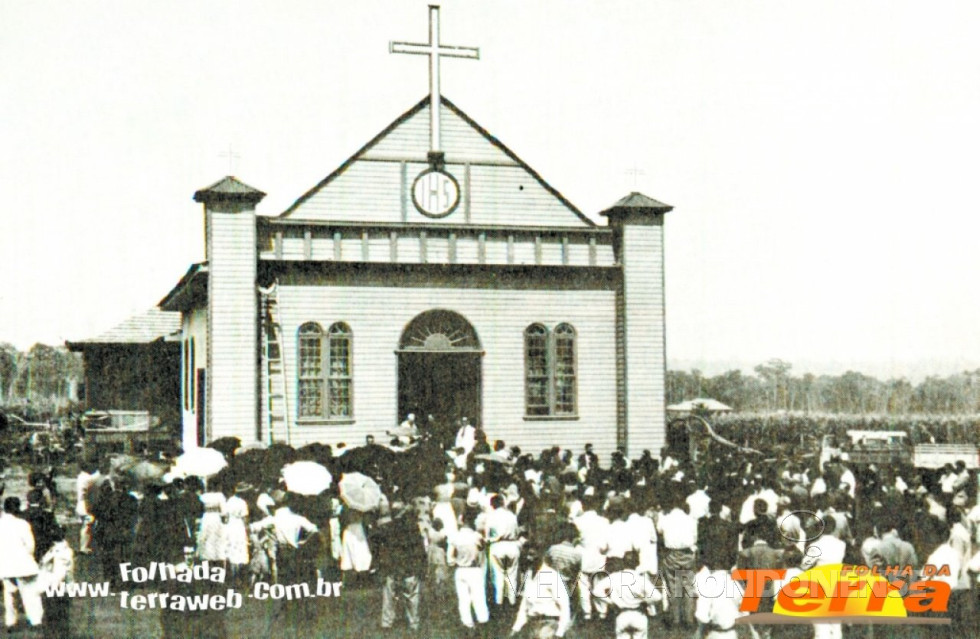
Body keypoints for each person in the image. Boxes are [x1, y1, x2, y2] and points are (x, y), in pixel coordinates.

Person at [374, 499, 426, 634]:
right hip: (409, 568)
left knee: (389, 597)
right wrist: (422, 567)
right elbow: (420, 550)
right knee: (412, 597)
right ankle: (414, 623)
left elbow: (380, 549)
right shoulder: (413, 528)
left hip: (392, 567)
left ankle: (387, 622)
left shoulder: (386, 528)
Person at [0, 497, 42, 630]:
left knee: (10, 595)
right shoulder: (22, 524)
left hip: (5, 565)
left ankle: (10, 622)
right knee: (30, 594)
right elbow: (30, 546)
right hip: (23, 564)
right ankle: (35, 621)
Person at [510, 553, 572, 638]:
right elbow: (524, 605)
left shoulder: (551, 575)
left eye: (532, 554)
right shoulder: (528, 575)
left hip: (550, 623)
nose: (529, 558)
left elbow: (564, 605)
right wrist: (516, 628)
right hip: (532, 623)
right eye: (527, 554)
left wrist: (560, 633)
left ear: (542, 555)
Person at [448, 517, 489, 634]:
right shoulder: (477, 536)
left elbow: (449, 558)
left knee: (463, 599)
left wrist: (456, 561)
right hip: (474, 569)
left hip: (460, 570)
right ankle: (482, 621)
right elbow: (482, 551)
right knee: (479, 597)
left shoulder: (454, 536)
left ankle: (467, 624)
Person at [484, 493, 521, 607]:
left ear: (492, 505)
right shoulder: (511, 515)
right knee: (512, 575)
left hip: (497, 545)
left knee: (498, 575)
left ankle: (498, 602)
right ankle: (512, 602)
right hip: (512, 545)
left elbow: (487, 534)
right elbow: (517, 531)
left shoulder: (491, 516)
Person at [37, 525, 74, 639]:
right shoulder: (55, 549)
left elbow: (60, 573)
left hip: (56, 587)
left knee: (54, 614)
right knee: (59, 615)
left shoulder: (61, 551)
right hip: (56, 587)